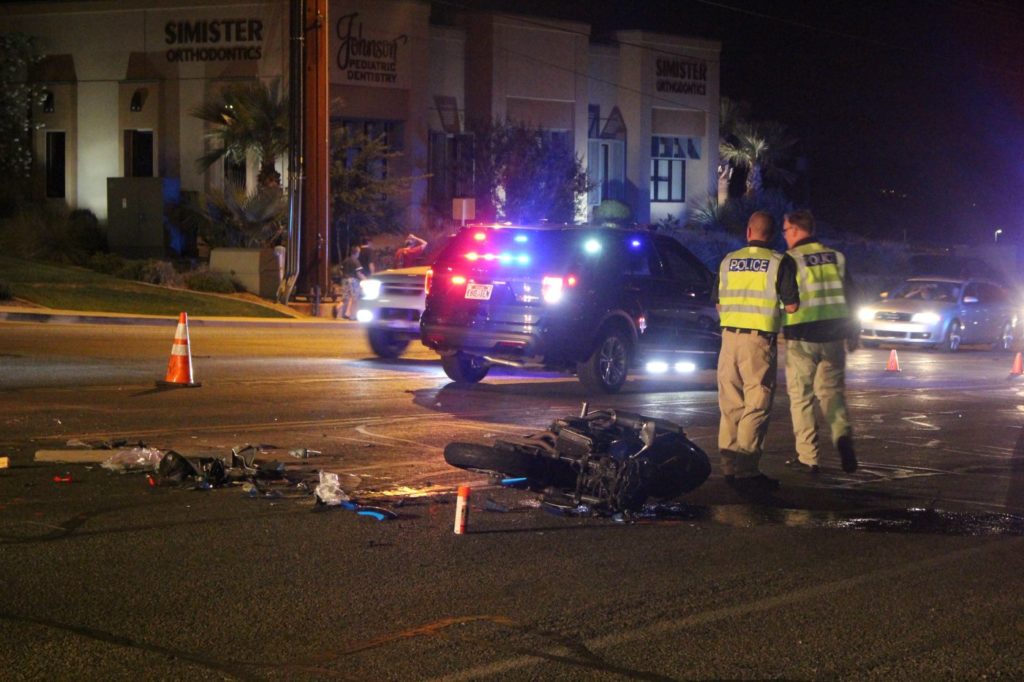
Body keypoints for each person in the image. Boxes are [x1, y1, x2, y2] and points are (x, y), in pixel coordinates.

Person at [714, 211, 800, 493]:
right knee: (757, 404)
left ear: (748, 232)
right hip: (758, 342)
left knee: (731, 404)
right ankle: (747, 470)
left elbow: (717, 303)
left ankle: (728, 466)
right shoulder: (779, 262)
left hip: (728, 339)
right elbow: (792, 306)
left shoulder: (728, 261)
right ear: (772, 234)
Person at [781, 209, 859, 474]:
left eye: (785, 230)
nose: (784, 236)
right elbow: (852, 296)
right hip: (835, 336)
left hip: (801, 337)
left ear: (793, 229)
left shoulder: (790, 259)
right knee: (832, 393)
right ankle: (842, 437)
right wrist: (854, 331)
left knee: (801, 398)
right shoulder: (837, 257)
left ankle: (808, 457)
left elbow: (787, 299)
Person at [333, 245, 365, 320]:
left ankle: (338, 308)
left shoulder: (346, 260)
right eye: (359, 252)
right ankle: (353, 316)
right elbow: (358, 273)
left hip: (345, 280)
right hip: (353, 281)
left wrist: (343, 276)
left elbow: (340, 270)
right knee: (355, 298)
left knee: (346, 298)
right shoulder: (356, 261)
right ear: (357, 253)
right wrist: (365, 279)